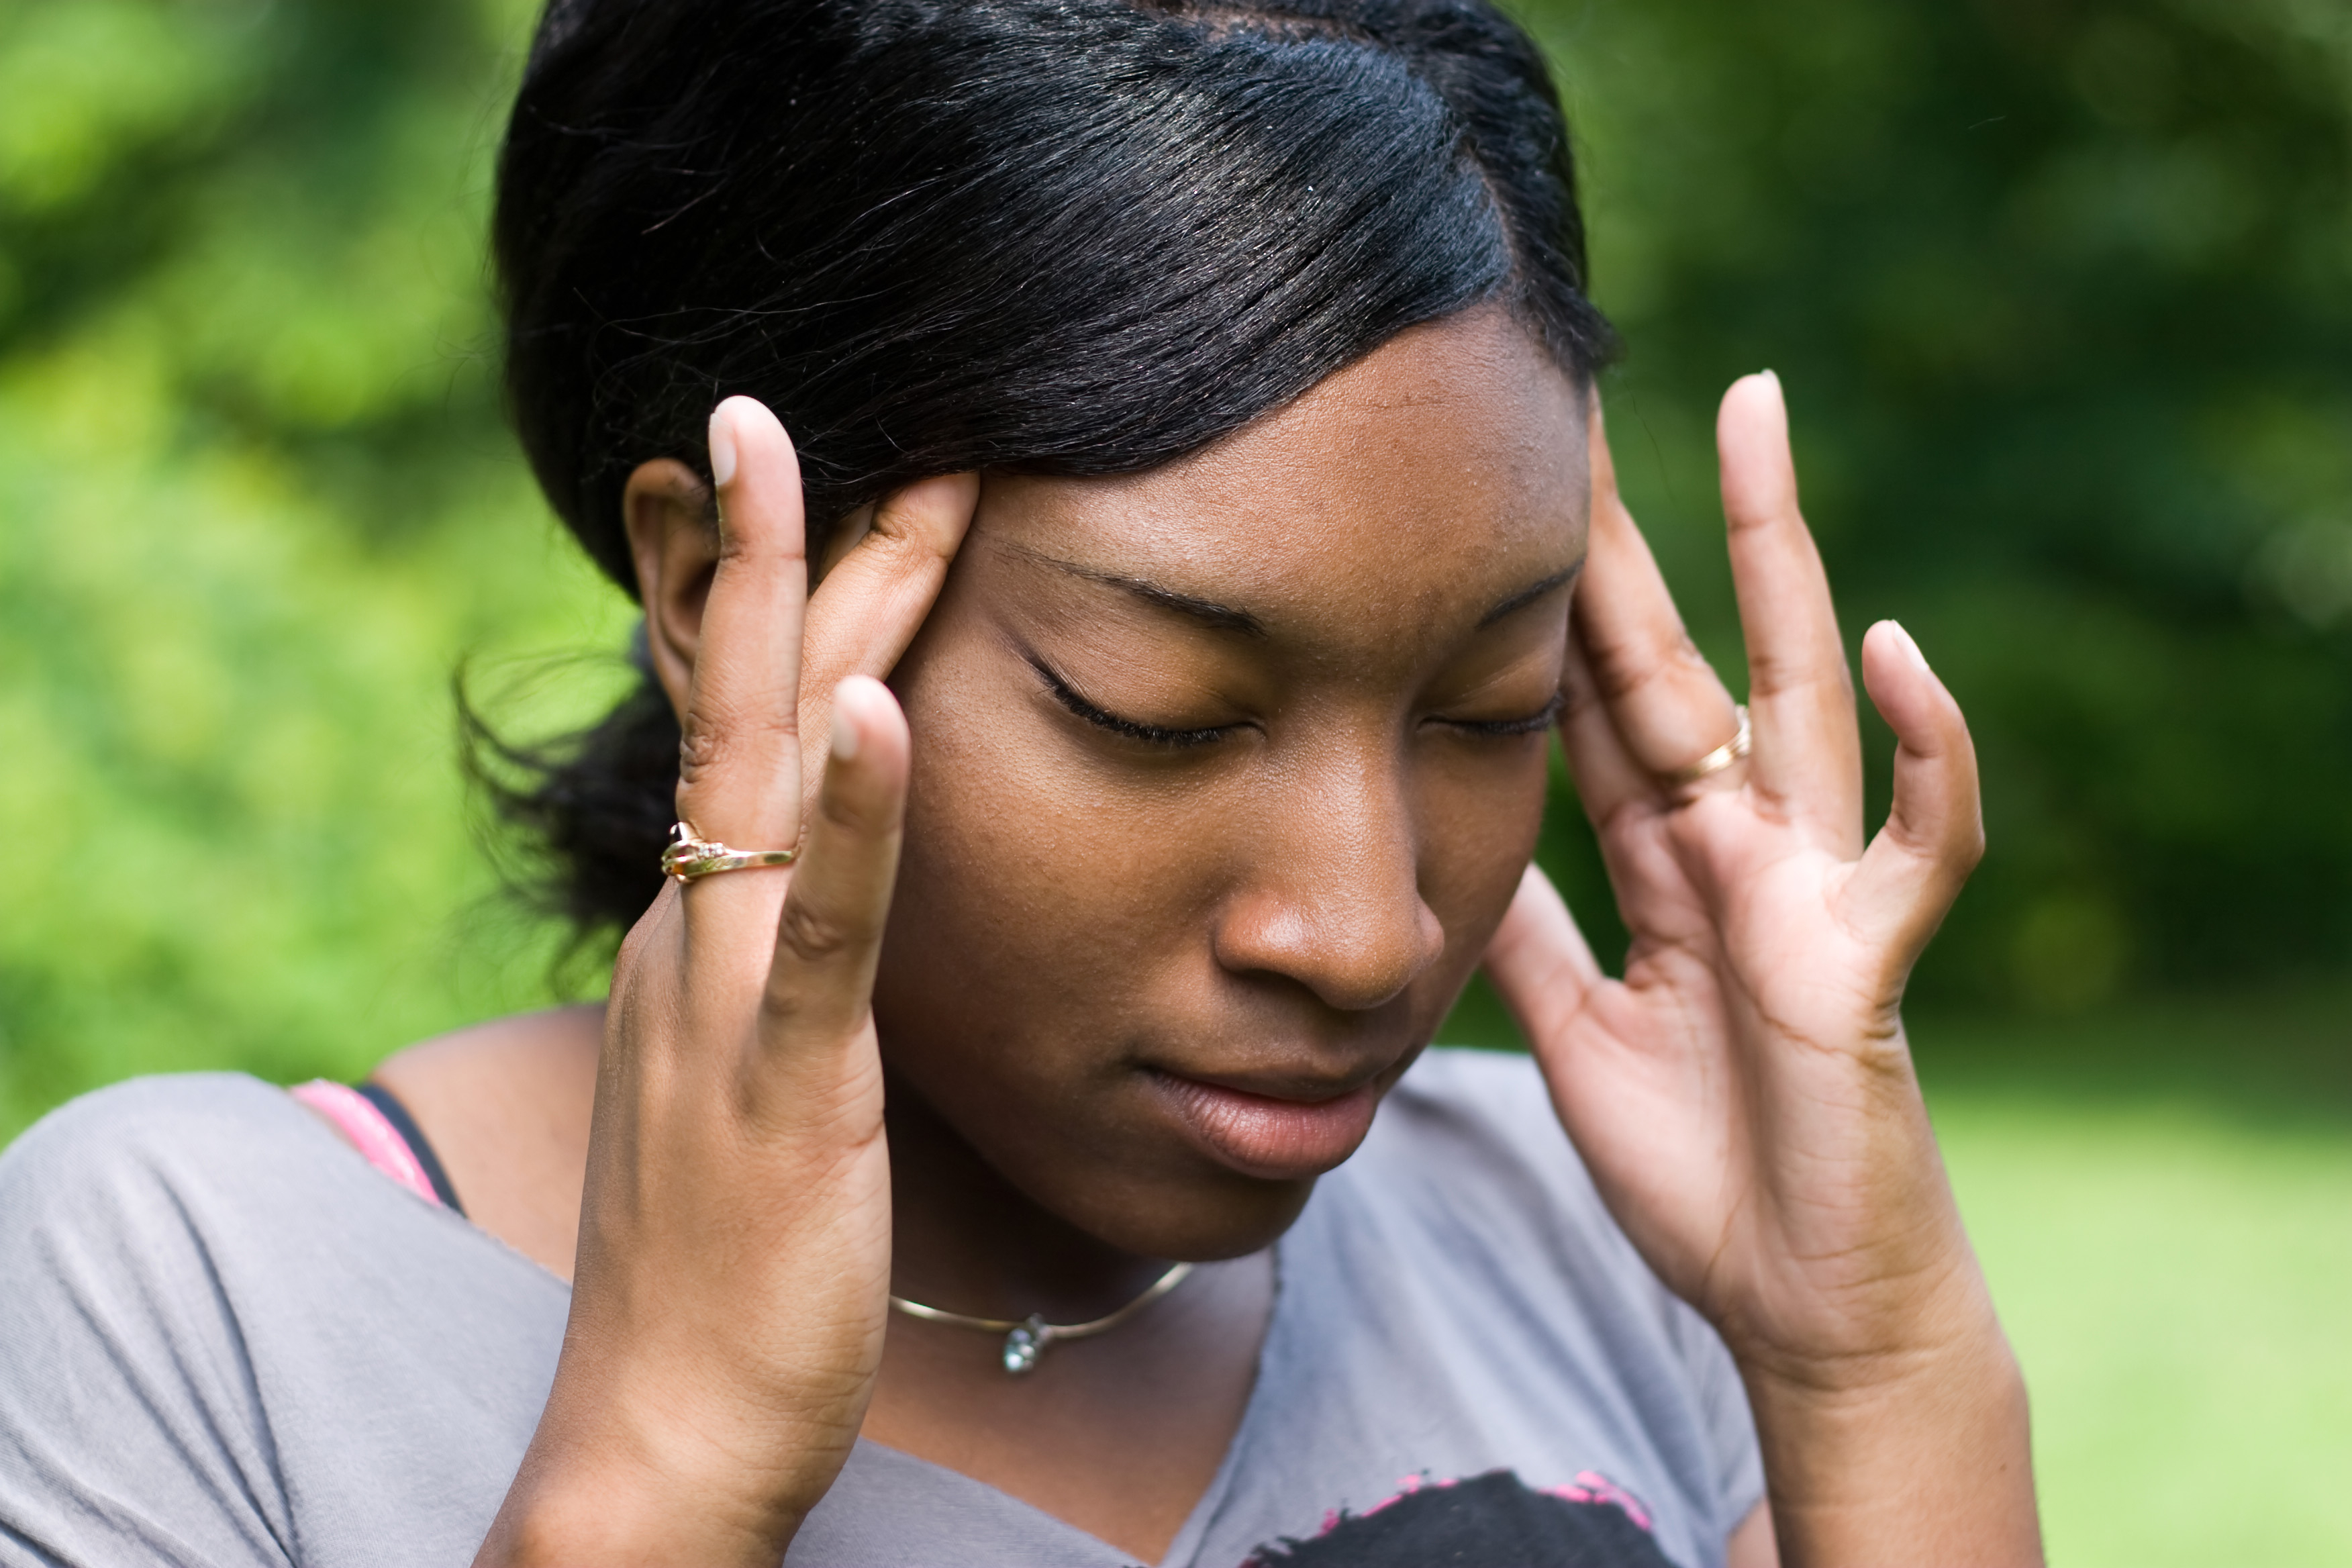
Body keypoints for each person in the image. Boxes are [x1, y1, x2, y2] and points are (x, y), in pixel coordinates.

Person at [0, 2, 2042, 1565]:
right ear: (718, 594)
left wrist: (1870, 1362)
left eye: (1490, 705)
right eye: (1159, 712)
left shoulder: (1603, 1241)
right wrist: (664, 1468)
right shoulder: (199, 1305)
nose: (1363, 932)